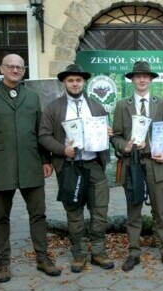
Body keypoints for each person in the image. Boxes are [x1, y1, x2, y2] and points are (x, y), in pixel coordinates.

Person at [0, 54, 60, 283]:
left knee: (38, 214)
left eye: (19, 67)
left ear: (24, 70)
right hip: (1, 165)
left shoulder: (32, 97)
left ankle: (43, 258)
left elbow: (40, 132)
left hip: (31, 164)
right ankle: (3, 263)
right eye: (10, 66)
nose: (15, 70)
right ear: (1, 69)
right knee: (0, 216)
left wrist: (45, 160)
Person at [38, 64, 114, 272]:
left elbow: (106, 133)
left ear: (84, 82)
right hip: (69, 166)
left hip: (94, 165)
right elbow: (43, 136)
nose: (74, 83)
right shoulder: (54, 108)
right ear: (64, 82)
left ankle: (98, 252)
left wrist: (108, 133)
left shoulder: (97, 106)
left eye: (78, 80)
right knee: (74, 212)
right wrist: (63, 150)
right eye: (70, 80)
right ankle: (79, 254)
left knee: (100, 210)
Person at [111, 61, 163, 271]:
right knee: (134, 210)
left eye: (145, 76)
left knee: (161, 210)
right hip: (133, 164)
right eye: (137, 76)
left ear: (150, 79)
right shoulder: (123, 105)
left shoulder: (162, 102)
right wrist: (126, 147)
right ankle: (133, 252)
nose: (141, 79)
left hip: (156, 162)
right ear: (132, 79)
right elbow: (117, 137)